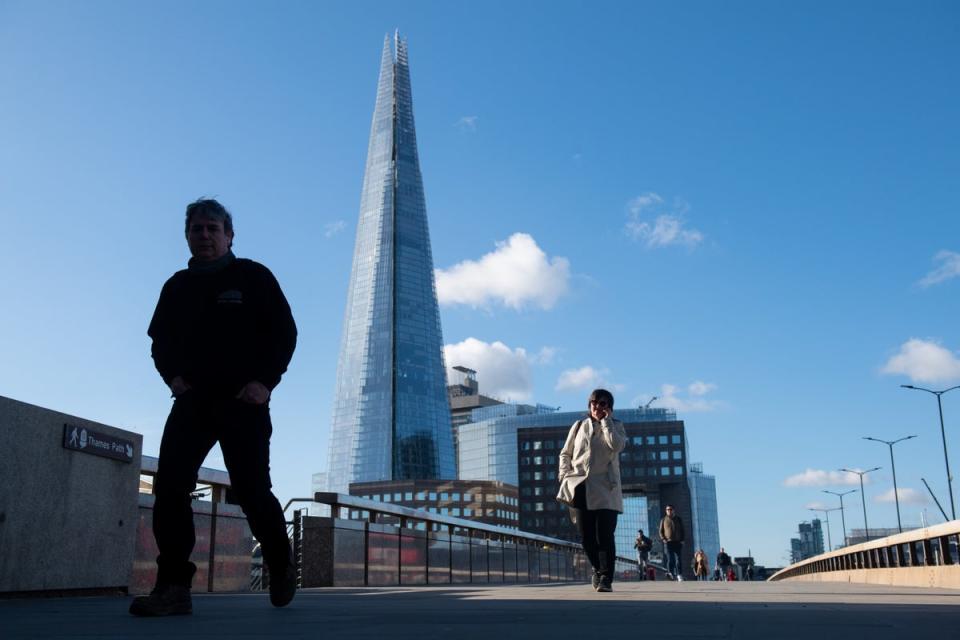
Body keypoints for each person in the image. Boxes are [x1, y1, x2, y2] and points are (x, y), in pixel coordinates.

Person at [130, 199, 298, 616]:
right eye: (197, 229)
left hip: (244, 402)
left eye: (212, 228)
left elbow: (284, 333)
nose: (204, 235)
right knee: (169, 487)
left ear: (229, 235)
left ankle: (280, 561)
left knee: (251, 491)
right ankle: (172, 587)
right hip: (193, 402)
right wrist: (173, 378)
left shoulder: (253, 277)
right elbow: (159, 342)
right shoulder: (176, 287)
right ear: (187, 235)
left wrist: (265, 382)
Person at [557, 388, 626, 593]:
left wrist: (606, 422)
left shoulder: (617, 426)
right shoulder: (578, 426)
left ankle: (606, 577)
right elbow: (565, 453)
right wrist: (564, 475)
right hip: (580, 487)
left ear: (610, 408)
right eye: (594, 402)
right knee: (586, 536)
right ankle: (597, 568)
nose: (597, 406)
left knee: (605, 535)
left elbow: (616, 445)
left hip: (606, 489)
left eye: (603, 403)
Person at [658, 504, 685, 581]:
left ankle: (679, 574)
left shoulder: (678, 519)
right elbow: (660, 531)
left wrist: (682, 540)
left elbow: (682, 530)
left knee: (678, 559)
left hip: (678, 542)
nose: (669, 511)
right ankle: (670, 573)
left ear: (673, 510)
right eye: (667, 509)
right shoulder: (663, 520)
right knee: (670, 559)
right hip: (668, 542)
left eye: (670, 509)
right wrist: (663, 539)